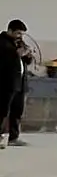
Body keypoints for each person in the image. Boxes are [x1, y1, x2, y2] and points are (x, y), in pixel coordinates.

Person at [0, 19, 32, 149]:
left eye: (22, 34)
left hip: (19, 82)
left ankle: (13, 137)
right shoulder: (2, 42)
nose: (20, 36)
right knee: (3, 111)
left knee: (17, 110)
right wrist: (16, 54)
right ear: (10, 31)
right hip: (6, 83)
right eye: (18, 33)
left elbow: (26, 61)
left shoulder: (19, 43)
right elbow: (6, 58)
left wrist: (27, 54)